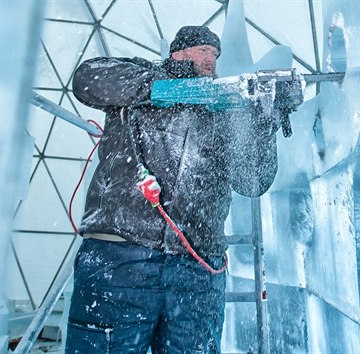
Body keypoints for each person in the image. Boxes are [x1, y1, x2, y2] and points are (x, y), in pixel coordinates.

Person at [66, 25, 287, 353]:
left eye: (215, 54)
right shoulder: (143, 75)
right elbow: (87, 79)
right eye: (203, 50)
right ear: (178, 52)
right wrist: (164, 89)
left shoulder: (221, 111)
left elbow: (252, 181)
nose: (211, 59)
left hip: (197, 268)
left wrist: (264, 120)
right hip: (122, 257)